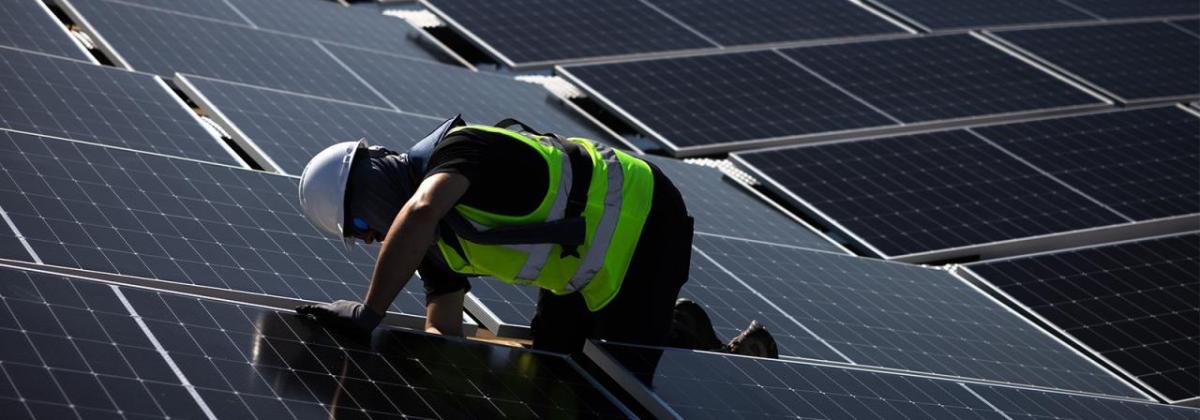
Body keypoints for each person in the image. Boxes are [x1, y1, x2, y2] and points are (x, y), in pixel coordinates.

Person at [294, 116, 776, 357]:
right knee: (553, 362)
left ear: (374, 183)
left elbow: (421, 209)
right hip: (580, 270)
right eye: (358, 239)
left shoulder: (462, 151)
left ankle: (719, 350)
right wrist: (410, 364)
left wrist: (370, 312)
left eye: (360, 225)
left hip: (647, 219)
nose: (372, 238)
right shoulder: (431, 240)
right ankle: (672, 326)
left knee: (628, 375)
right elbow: (444, 317)